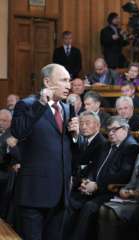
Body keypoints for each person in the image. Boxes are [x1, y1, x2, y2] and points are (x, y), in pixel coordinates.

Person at [11, 63, 79, 240]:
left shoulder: (66, 108)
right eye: (63, 80)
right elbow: (19, 132)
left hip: (60, 195)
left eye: (69, 80)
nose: (68, 85)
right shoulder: (26, 105)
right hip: (34, 194)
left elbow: (71, 153)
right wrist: (41, 104)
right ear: (47, 82)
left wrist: (75, 137)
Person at [67, 116, 139, 240]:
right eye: (109, 130)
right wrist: (87, 181)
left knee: (89, 207)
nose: (110, 133)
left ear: (125, 129)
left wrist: (96, 185)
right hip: (95, 187)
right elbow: (94, 166)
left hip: (112, 190)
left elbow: (123, 176)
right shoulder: (107, 145)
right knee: (70, 199)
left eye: (114, 130)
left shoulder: (131, 147)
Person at [98, 124, 139, 240]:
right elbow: (133, 181)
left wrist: (134, 193)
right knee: (103, 209)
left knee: (112, 212)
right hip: (131, 197)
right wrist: (125, 190)